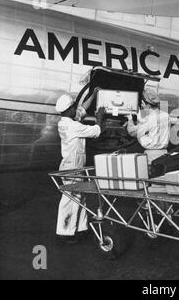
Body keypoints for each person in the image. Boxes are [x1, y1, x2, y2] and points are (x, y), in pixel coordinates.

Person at [55, 90, 105, 244]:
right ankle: (65, 232)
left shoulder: (64, 122)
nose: (76, 109)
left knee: (80, 196)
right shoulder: (74, 126)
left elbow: (81, 110)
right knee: (71, 198)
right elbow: (97, 132)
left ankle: (81, 228)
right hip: (73, 168)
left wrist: (94, 93)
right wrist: (99, 118)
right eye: (73, 107)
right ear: (69, 109)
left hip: (73, 165)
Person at [122, 89, 170, 154]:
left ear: (148, 105)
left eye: (142, 104)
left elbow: (132, 132)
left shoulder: (150, 119)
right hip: (164, 152)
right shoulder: (166, 116)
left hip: (151, 154)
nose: (142, 105)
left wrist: (130, 119)